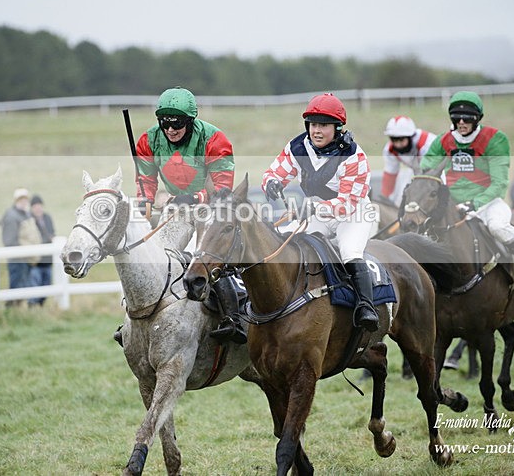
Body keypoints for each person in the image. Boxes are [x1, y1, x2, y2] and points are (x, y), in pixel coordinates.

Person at [134, 86, 246, 344]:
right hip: (178, 206)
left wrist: (198, 198)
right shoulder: (148, 140)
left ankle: (233, 319)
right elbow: (146, 179)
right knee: (160, 252)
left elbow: (223, 189)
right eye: (165, 123)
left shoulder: (214, 139)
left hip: (211, 207)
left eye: (178, 124)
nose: (171, 129)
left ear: (191, 121)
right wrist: (145, 201)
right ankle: (138, 318)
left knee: (206, 256)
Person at [262, 93, 379, 331]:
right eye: (313, 124)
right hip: (317, 212)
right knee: (292, 243)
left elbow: (347, 203)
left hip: (353, 214)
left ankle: (367, 307)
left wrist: (313, 207)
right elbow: (274, 172)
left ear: (337, 128)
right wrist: (272, 184)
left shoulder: (354, 156)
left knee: (349, 251)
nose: (316, 131)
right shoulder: (298, 146)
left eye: (324, 125)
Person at [420, 91, 514, 287]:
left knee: (497, 227)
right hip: (453, 205)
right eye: (456, 118)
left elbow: (499, 183)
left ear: (477, 118)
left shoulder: (495, 139)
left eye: (467, 118)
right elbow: (427, 168)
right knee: (426, 232)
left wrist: (474, 203)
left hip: (487, 203)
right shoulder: (444, 140)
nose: (461, 122)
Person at [381, 115, 437, 206]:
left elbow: (428, 174)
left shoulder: (427, 144)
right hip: (415, 170)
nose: (397, 144)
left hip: (438, 170)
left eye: (401, 139)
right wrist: (384, 198)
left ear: (411, 136)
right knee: (401, 195)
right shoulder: (389, 150)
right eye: (393, 139)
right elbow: (390, 174)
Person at [0, 188, 33, 304]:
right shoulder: (11, 216)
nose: (24, 202)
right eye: (21, 199)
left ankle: (17, 311)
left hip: (25, 258)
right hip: (17, 259)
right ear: (16, 201)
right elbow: (9, 241)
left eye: (25, 199)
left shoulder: (25, 213)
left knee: (23, 287)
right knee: (16, 286)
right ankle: (11, 310)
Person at [27, 194, 55, 307]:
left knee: (46, 285)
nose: (38, 208)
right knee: (35, 286)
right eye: (35, 206)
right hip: (36, 262)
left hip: (48, 261)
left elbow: (52, 233)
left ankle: (40, 307)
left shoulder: (47, 217)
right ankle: (32, 307)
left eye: (39, 206)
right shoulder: (29, 221)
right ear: (32, 208)